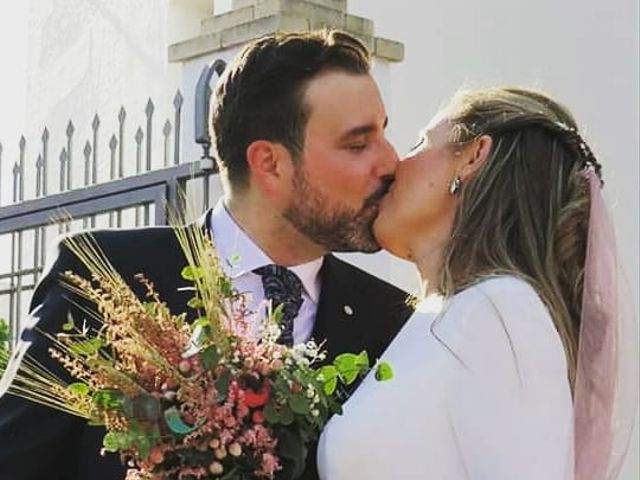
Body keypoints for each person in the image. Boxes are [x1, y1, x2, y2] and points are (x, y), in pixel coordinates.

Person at [0, 30, 412, 480]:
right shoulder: (107, 277)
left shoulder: (392, 323)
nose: (390, 162)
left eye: (384, 134)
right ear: (269, 163)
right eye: (357, 143)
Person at [318, 87, 638, 479]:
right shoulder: (441, 314)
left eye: (422, 142)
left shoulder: (501, 309)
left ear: (472, 157)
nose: (395, 164)